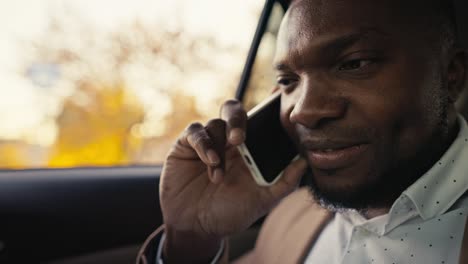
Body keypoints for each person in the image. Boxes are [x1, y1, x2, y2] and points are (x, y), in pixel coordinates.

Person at [137, 0, 468, 263]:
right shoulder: (294, 213)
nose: (303, 111)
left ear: (450, 76)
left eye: (354, 63)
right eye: (288, 81)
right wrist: (191, 240)